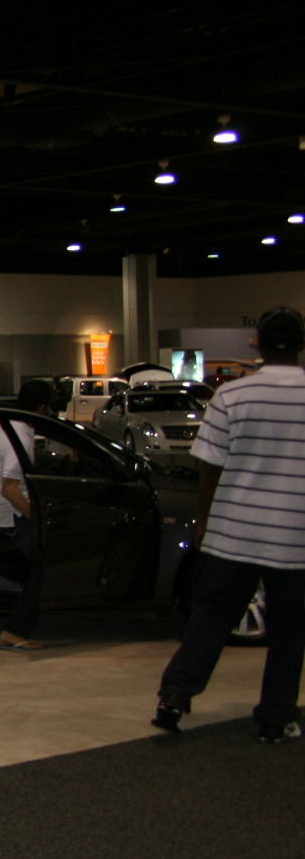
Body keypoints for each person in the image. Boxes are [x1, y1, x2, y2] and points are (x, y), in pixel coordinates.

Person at [152, 306, 305, 742]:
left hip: (233, 534)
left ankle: (175, 697)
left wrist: (204, 519)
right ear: (299, 344)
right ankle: (276, 719)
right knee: (289, 631)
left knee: (211, 618)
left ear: (257, 342)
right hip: (295, 539)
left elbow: (208, 467)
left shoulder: (232, 396)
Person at [0, 379, 55, 651]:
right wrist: (39, 518)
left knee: (35, 570)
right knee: (44, 570)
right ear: (43, 407)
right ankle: (15, 630)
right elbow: (10, 489)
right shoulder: (20, 435)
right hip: (10, 516)